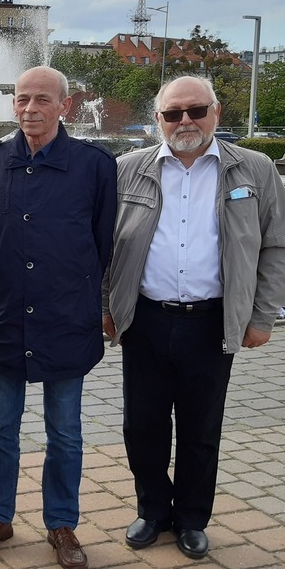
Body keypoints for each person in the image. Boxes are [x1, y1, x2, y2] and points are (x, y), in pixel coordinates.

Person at [102, 75, 285, 560]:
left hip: (212, 321)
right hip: (145, 318)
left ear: (216, 113)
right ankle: (152, 511)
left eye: (196, 110)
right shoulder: (128, 169)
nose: (186, 121)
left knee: (202, 428)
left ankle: (191, 519)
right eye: (173, 113)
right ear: (158, 119)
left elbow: (274, 245)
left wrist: (262, 315)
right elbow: (102, 246)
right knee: (142, 425)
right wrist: (106, 306)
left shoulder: (255, 169)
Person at [0, 66, 116, 569]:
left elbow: (102, 243)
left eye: (42, 100)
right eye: (22, 99)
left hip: (65, 320)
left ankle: (62, 524)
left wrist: (91, 304)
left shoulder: (94, 166)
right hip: (5, 319)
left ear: (64, 106)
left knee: (65, 432)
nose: (30, 108)